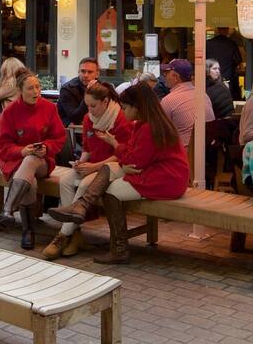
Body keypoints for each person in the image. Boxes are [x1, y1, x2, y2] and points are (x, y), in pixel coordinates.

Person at [47, 83, 189, 264]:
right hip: (157, 173)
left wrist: (115, 146)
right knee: (107, 174)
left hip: (165, 179)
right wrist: (122, 158)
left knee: (111, 190)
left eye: (126, 107)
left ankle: (118, 248)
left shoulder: (148, 127)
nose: (123, 111)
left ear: (137, 107)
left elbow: (134, 161)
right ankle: (82, 209)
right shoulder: (146, 123)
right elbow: (131, 156)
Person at [43, 82, 133, 260]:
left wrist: (94, 166)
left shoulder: (120, 119)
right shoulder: (88, 119)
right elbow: (87, 148)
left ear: (105, 101)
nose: (89, 110)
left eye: (93, 106)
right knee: (66, 180)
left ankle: (63, 236)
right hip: (93, 164)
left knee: (84, 184)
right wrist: (81, 162)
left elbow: (121, 155)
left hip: (113, 166)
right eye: (87, 106)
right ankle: (75, 233)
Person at [0, 70, 66, 250]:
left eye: (38, 87)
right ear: (20, 91)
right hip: (15, 160)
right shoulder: (10, 112)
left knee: (31, 160)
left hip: (42, 160)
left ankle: (8, 209)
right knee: (31, 183)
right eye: (30, 88)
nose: (36, 92)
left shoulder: (49, 108)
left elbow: (59, 137)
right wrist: (21, 151)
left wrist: (46, 147)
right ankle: (28, 230)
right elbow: (2, 146)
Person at [159, 58, 215, 150]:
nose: (164, 76)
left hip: (185, 153)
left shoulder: (168, 101)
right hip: (208, 151)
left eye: (167, 73)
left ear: (176, 77)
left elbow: (160, 132)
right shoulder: (203, 95)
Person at [57, 58, 100, 126]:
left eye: (90, 72)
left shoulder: (101, 86)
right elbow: (75, 118)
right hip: (71, 128)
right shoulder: (67, 89)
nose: (85, 75)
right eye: (83, 71)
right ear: (78, 72)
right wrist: (88, 93)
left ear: (97, 74)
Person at [206, 27, 244, 98]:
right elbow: (238, 60)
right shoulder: (232, 43)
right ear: (227, 30)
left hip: (210, 79)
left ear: (217, 30)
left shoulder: (208, 43)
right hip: (227, 79)